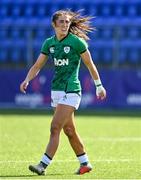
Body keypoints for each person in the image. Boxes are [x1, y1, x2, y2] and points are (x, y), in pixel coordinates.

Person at [20, 10, 106, 175]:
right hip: (56, 90)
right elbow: (38, 65)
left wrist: (99, 85)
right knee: (69, 130)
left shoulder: (76, 42)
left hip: (72, 89)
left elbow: (90, 64)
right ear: (54, 24)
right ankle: (85, 163)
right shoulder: (49, 43)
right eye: (62, 22)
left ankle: (42, 165)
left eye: (67, 22)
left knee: (55, 127)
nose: (65, 25)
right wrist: (27, 80)